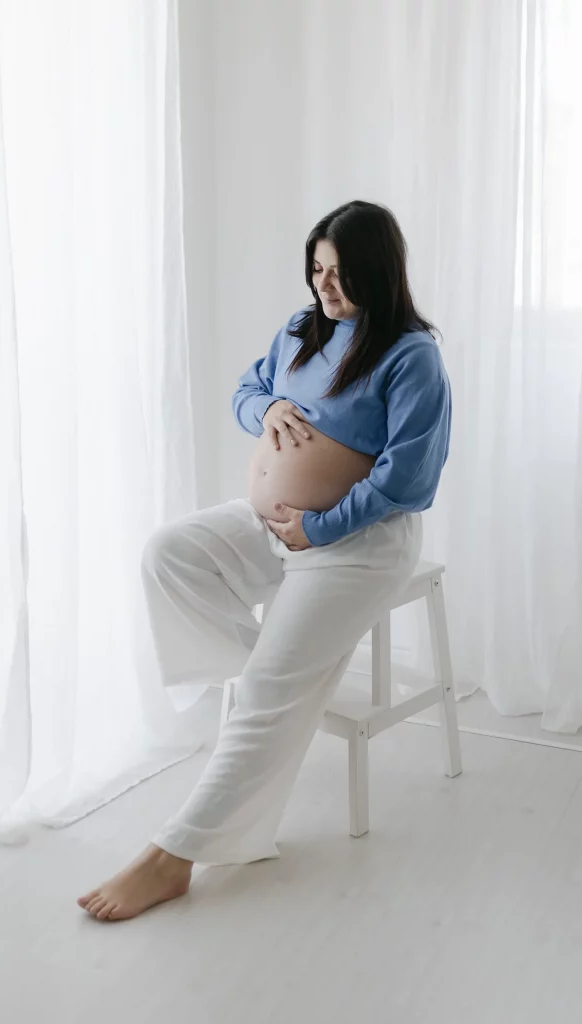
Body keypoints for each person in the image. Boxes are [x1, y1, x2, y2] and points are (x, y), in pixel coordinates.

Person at [77, 200, 451, 921]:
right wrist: (266, 413)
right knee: (168, 556)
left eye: (340, 274)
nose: (325, 288)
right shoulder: (300, 330)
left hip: (359, 543)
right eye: (317, 270)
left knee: (262, 695)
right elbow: (248, 390)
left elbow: (410, 479)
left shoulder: (411, 356)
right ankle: (276, 682)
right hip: (274, 523)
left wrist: (322, 525)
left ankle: (172, 858)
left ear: (379, 271)